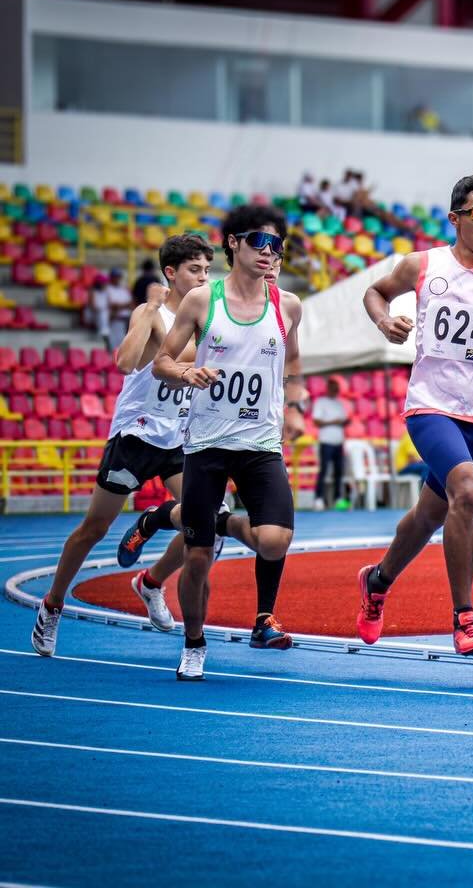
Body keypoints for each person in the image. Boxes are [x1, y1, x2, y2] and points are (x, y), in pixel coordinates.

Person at [355, 174, 473, 654]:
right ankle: (465, 617)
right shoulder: (422, 265)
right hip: (430, 405)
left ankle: (377, 581)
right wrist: (385, 321)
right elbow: (374, 293)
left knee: (428, 515)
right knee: (467, 494)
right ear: (456, 218)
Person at [31, 236, 226, 656]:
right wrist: (152, 308)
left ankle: (151, 581)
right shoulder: (153, 313)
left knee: (213, 524)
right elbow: (124, 363)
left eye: (208, 271)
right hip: (136, 436)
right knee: (94, 529)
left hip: (180, 438)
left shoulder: (209, 316)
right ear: (171, 273)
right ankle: (52, 605)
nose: (204, 278)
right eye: (196, 269)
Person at [153, 206, 307, 681]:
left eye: (276, 245)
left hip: (261, 444)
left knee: (275, 541)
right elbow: (161, 362)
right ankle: (194, 644)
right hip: (207, 445)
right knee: (197, 558)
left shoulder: (289, 305)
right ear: (233, 244)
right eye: (259, 242)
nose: (268, 252)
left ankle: (223, 521)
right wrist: (186, 372)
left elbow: (295, 366)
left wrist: (296, 407)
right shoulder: (202, 300)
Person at [311, 377, 350, 510]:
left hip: (338, 441)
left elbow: (344, 420)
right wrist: (334, 421)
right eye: (334, 388)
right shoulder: (320, 402)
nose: (336, 391)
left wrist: (344, 422)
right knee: (324, 470)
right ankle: (319, 498)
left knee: (339, 471)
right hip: (326, 441)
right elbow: (316, 421)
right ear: (328, 388)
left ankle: (337, 498)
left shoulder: (339, 403)